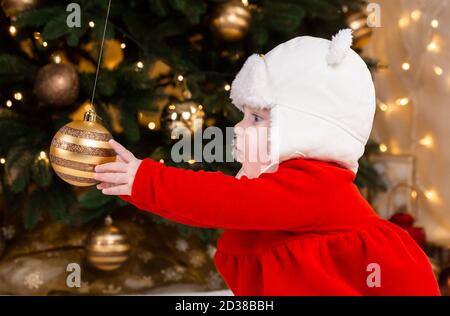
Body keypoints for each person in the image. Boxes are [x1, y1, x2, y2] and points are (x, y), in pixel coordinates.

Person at [94, 29, 440, 295]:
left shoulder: (316, 183)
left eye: (257, 118)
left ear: (304, 127)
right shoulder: (284, 183)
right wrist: (134, 183)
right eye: (244, 115)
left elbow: (223, 200)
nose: (240, 128)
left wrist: (146, 180)